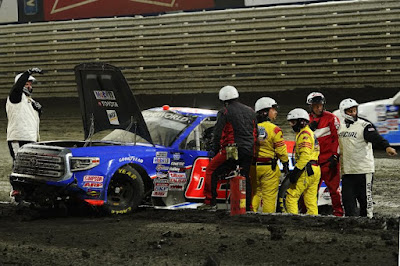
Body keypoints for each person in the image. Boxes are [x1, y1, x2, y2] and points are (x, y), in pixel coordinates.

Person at [198, 85, 257, 211]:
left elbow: (217, 134)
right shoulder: (251, 111)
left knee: (211, 170)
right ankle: (249, 206)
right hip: (249, 150)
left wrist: (214, 150)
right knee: (245, 176)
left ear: (223, 99)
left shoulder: (224, 112)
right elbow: (255, 132)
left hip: (232, 149)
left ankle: (210, 202)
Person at [338, 98, 397, 218]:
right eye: (350, 111)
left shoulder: (364, 125)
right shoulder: (340, 128)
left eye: (354, 110)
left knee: (365, 200)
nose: (353, 113)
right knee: (347, 200)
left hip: (363, 170)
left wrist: (386, 147)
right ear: (344, 112)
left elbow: (375, 137)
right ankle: (351, 224)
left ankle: (369, 223)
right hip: (347, 171)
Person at [306, 92, 343, 217]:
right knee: (310, 190)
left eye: (320, 105)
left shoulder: (331, 118)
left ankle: (338, 214)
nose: (319, 108)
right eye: (316, 106)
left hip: (328, 160)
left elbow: (337, 138)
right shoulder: (306, 120)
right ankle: (309, 213)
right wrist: (308, 128)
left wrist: (335, 156)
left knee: (334, 190)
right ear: (311, 106)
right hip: (314, 161)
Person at [250, 97, 289, 213]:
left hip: (253, 167)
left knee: (254, 194)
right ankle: (268, 221)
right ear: (265, 111)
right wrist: (285, 164)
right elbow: (281, 150)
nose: (276, 112)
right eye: (273, 109)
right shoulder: (275, 129)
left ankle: (250, 217)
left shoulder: (251, 127)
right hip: (269, 168)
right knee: (269, 197)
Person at [285, 108, 321, 215]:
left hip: (306, 169)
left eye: (293, 122)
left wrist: (296, 171)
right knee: (311, 200)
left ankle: (294, 222)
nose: (291, 125)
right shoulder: (310, 133)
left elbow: (305, 155)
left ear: (301, 121)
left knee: (291, 196)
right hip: (315, 169)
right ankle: (313, 223)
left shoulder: (304, 135)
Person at [6, 68, 43, 161]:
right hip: (18, 137)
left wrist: (38, 110)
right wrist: (28, 72)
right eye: (26, 84)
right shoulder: (15, 97)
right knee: (19, 164)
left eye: (30, 84)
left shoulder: (29, 100)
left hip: (30, 137)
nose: (29, 86)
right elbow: (17, 87)